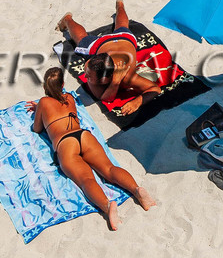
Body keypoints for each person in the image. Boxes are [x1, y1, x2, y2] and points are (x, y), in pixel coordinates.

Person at [27, 66, 155, 231]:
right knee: (109, 169)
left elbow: (37, 129)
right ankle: (137, 190)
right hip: (83, 136)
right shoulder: (69, 98)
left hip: (65, 143)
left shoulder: (43, 102)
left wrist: (38, 110)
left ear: (45, 86)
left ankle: (108, 207)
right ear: (63, 84)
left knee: (86, 180)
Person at [58, 2, 164, 116]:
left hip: (124, 41)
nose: (86, 76)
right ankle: (68, 19)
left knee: (119, 27)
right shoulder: (91, 65)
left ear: (104, 79)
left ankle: (120, 6)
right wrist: (115, 82)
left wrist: (136, 102)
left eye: (89, 76)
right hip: (109, 43)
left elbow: (155, 89)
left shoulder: (127, 77)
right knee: (82, 39)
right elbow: (104, 97)